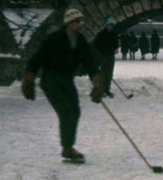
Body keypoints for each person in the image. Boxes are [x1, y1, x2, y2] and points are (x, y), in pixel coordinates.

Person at [21, 8, 103, 163]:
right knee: (66, 111)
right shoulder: (54, 39)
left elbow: (90, 62)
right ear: (69, 23)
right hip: (50, 79)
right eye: (77, 22)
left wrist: (97, 84)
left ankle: (68, 147)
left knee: (75, 111)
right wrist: (28, 79)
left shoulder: (80, 41)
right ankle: (67, 147)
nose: (80, 25)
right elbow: (37, 59)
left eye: (81, 21)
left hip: (66, 79)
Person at [93, 17, 118, 98]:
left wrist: (116, 48)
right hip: (103, 56)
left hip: (111, 56)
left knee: (109, 73)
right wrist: (100, 53)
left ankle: (107, 89)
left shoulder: (113, 34)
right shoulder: (101, 34)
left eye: (112, 25)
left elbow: (116, 44)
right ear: (106, 25)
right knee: (103, 73)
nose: (110, 27)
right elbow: (96, 45)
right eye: (109, 25)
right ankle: (102, 90)